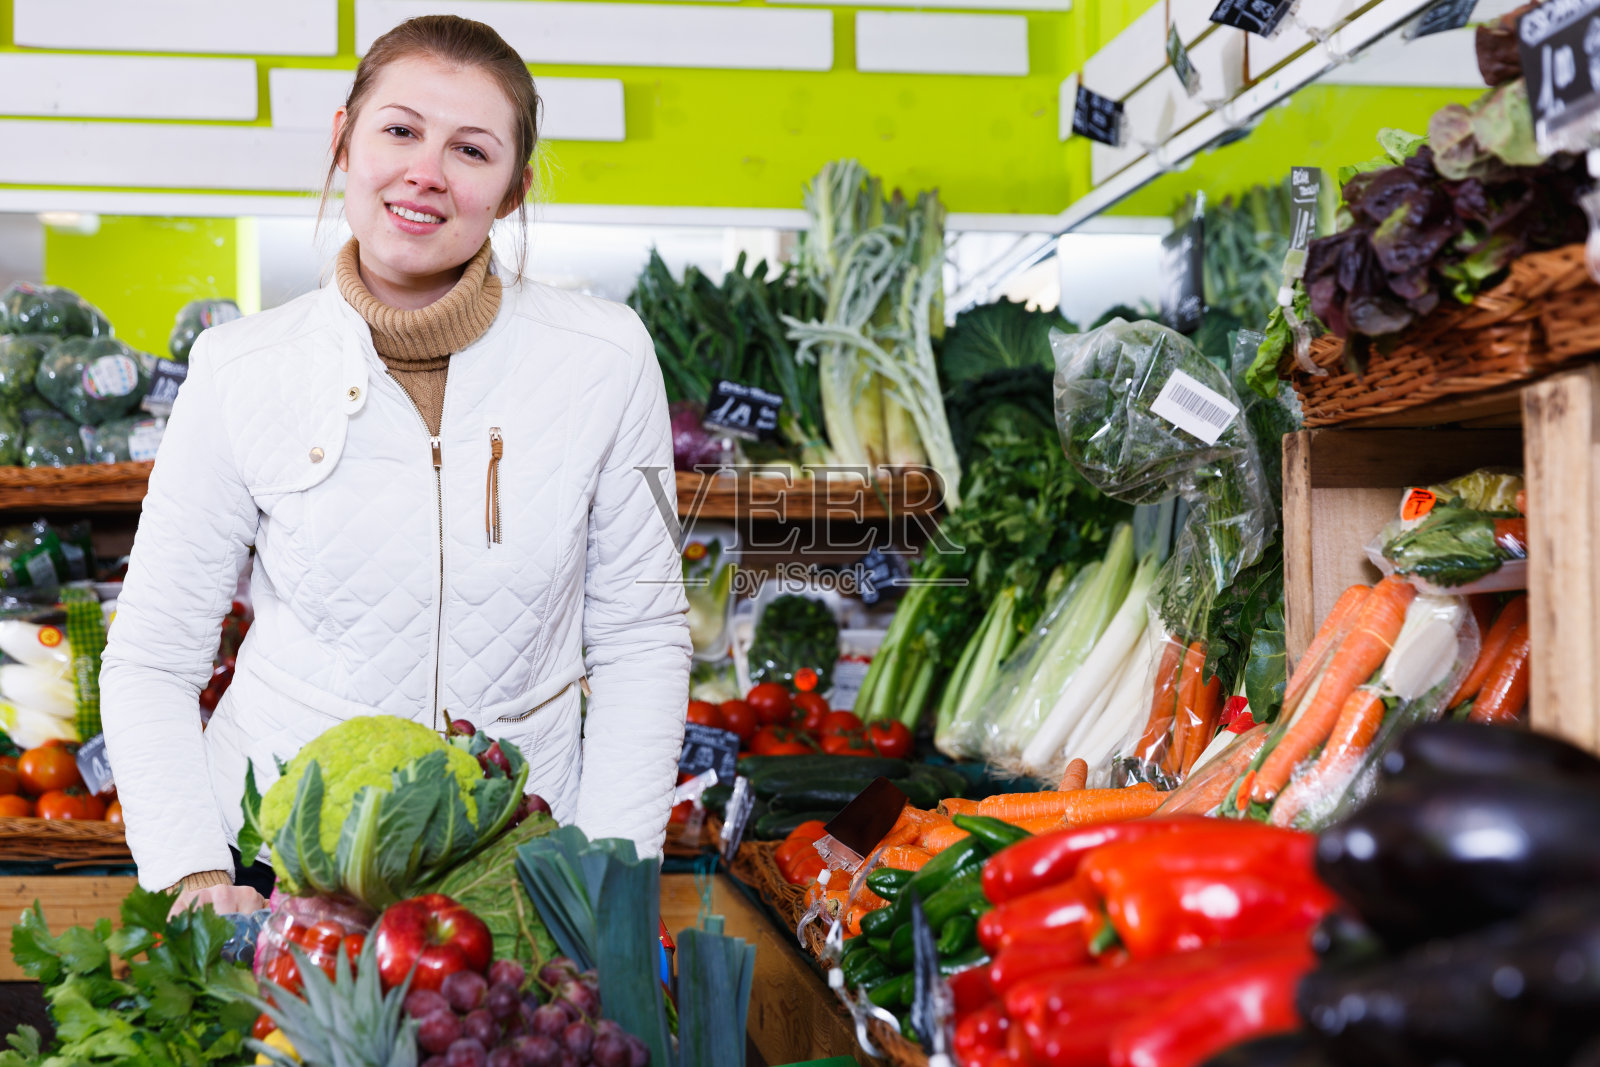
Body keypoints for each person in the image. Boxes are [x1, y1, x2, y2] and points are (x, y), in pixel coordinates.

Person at [100, 14, 692, 917]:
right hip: (276, 859)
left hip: (515, 858)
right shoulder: (241, 368)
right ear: (344, 141)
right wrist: (195, 871)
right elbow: (149, 655)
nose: (426, 171)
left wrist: (612, 873)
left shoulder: (606, 358)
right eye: (401, 130)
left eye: (472, 149)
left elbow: (641, 638)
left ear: (513, 189)